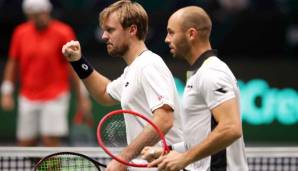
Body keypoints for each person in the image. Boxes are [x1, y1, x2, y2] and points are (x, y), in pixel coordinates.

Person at [62, 1, 183, 171]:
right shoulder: (132, 70)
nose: (104, 36)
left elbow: (164, 120)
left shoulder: (149, 64)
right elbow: (104, 93)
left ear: (132, 30)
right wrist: (78, 61)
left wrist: (123, 157)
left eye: (110, 30)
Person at [141, 6, 249, 171]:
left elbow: (231, 128)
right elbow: (199, 141)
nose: (166, 39)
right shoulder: (199, 74)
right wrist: (167, 151)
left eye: (171, 32)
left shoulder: (212, 72)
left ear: (191, 34)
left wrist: (184, 159)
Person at [0, 0, 91, 146]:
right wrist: (6, 91)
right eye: (34, 15)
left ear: (48, 12)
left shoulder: (64, 32)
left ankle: (50, 168)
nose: (39, 17)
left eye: (42, 13)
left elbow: (74, 66)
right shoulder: (20, 33)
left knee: (50, 142)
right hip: (28, 96)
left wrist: (83, 99)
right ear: (29, 16)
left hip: (55, 96)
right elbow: (13, 63)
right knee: (25, 144)